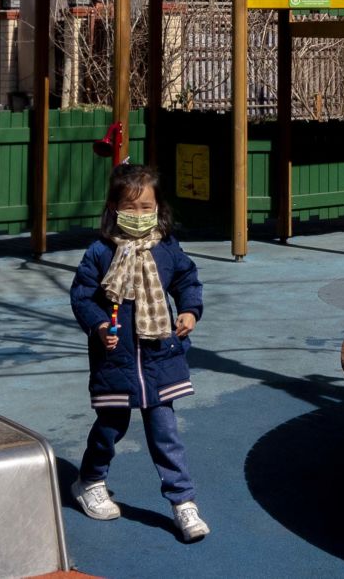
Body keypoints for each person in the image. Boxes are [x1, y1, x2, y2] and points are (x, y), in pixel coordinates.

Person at [69, 163, 209, 542]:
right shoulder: (100, 252)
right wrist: (99, 325)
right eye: (130, 207)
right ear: (114, 207)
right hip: (115, 358)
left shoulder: (167, 248)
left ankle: (183, 503)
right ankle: (90, 481)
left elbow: (186, 280)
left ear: (159, 208)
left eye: (146, 207)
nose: (138, 215)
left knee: (165, 432)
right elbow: (81, 295)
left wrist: (189, 311)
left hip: (160, 356)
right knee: (111, 427)